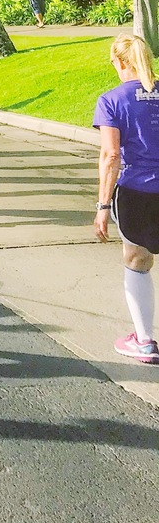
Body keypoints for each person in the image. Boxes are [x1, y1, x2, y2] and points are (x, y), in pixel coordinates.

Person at [93, 35, 159, 365]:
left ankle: (144, 341)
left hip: (137, 193)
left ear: (120, 62)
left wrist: (103, 206)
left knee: (137, 261)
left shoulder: (111, 99)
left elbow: (110, 155)